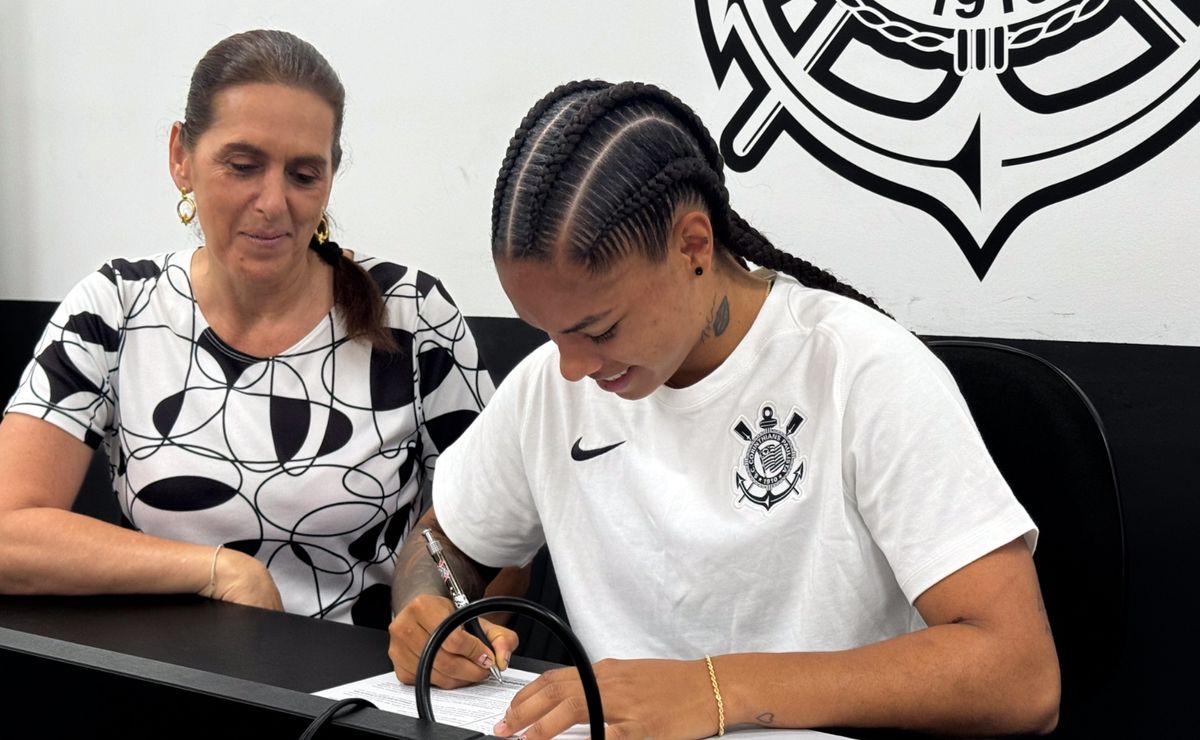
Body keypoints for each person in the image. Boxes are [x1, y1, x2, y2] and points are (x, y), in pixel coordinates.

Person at [387, 80, 1060, 737]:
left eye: (597, 329)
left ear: (693, 246)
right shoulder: (550, 387)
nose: (572, 367)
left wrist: (714, 688)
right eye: (547, 332)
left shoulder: (860, 370)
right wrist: (427, 606)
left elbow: (1019, 676)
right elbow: (443, 539)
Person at [0, 29, 512, 628]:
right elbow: (10, 530)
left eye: (303, 175)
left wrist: (448, 625)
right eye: (243, 166)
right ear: (180, 158)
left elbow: (500, 534)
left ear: (332, 175)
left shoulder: (411, 312)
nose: (273, 201)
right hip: (168, 682)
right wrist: (218, 570)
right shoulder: (114, 308)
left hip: (359, 700)